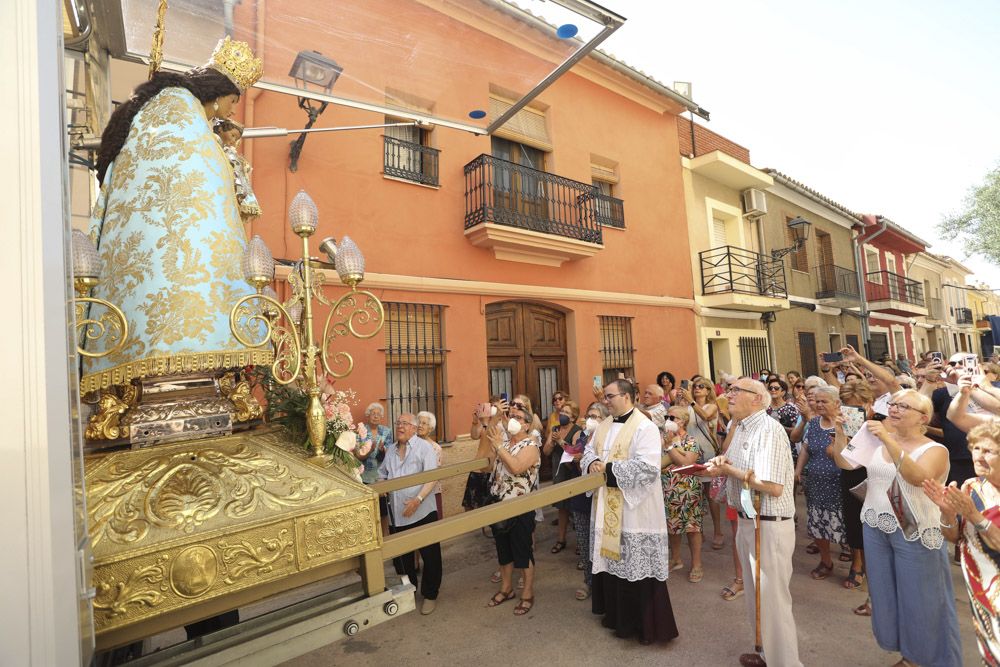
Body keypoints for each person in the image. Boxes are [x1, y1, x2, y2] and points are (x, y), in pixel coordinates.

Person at [83, 37, 266, 388]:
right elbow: (197, 181)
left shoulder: (179, 109)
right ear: (218, 94)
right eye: (232, 101)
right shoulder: (179, 110)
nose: (231, 112)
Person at [830, 389, 963, 667]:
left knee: (923, 599)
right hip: (877, 525)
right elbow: (845, 462)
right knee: (886, 593)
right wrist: (841, 429)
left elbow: (915, 477)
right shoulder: (877, 438)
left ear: (922, 418)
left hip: (916, 531)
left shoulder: (935, 449)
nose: (894, 409)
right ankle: (909, 654)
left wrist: (887, 438)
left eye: (903, 406)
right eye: (892, 404)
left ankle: (930, 659)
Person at [705, 378, 801, 667]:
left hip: (768, 523)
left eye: (736, 391)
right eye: (729, 390)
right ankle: (765, 654)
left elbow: (772, 486)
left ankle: (785, 663)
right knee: (756, 598)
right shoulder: (743, 426)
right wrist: (715, 468)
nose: (728, 395)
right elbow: (735, 467)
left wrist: (729, 469)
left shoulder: (768, 430)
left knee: (773, 602)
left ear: (757, 399)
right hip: (748, 520)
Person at [582, 380, 678, 645]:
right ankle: (616, 618)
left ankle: (641, 625)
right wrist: (591, 463)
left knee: (634, 564)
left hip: (635, 509)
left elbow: (648, 467)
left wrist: (608, 471)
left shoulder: (644, 427)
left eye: (609, 396)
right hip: (607, 507)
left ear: (626, 397)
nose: (605, 401)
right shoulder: (603, 425)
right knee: (613, 561)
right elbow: (588, 452)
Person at [923, 420, 1000, 665]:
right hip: (978, 583)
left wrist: (975, 515)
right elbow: (956, 537)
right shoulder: (971, 486)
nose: (979, 456)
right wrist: (946, 512)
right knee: (990, 647)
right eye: (976, 448)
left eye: (988, 450)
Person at [379, 413, 442, 616]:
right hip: (398, 515)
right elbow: (382, 475)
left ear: (414, 428)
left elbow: (432, 477)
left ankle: (430, 595)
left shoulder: (425, 449)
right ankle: (410, 591)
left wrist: (418, 500)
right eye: (397, 423)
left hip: (422, 511)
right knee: (403, 560)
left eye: (404, 423)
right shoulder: (390, 450)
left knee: (430, 557)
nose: (399, 426)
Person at [485, 405, 541, 616]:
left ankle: (527, 593)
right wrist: (494, 417)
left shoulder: (531, 446)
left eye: (518, 417)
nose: (513, 420)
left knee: (522, 551)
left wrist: (500, 447)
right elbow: (489, 439)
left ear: (527, 424)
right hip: (499, 505)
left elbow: (516, 467)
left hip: (520, 507)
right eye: (511, 416)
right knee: (503, 550)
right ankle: (506, 588)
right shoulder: (505, 442)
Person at [794, 385, 845, 580]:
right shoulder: (814, 424)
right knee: (818, 522)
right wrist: (798, 470)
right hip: (816, 481)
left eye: (825, 401)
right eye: (818, 401)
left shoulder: (846, 424)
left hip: (839, 482)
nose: (820, 405)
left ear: (837, 403)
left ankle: (856, 565)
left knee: (843, 522)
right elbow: (805, 449)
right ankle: (826, 561)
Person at [837, 381, 874, 598]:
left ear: (869, 403)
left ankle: (874, 581)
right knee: (853, 524)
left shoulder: (880, 423)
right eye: (848, 406)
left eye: (858, 406)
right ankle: (856, 564)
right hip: (849, 477)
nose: (854, 411)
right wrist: (840, 431)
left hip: (874, 480)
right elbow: (841, 459)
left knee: (871, 529)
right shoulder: (843, 425)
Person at [570, 402, 608, 600]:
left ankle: (604, 585)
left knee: (602, 544)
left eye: (596, 416)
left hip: (602, 497)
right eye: (589, 415)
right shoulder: (582, 438)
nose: (591, 419)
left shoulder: (610, 438)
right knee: (585, 543)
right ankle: (588, 581)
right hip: (581, 495)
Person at [661, 406, 704, 582]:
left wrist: (670, 447)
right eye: (667, 416)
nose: (669, 419)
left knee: (692, 528)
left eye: (673, 417)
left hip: (687, 491)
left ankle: (696, 564)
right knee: (672, 527)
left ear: (683, 421)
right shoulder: (660, 438)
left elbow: (685, 463)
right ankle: (676, 559)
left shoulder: (691, 440)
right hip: (666, 489)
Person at [684, 380, 724, 550]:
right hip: (690, 452)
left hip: (707, 453)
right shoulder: (687, 408)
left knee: (711, 495)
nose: (697, 389)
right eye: (695, 387)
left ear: (708, 391)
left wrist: (691, 401)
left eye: (701, 386)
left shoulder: (712, 406)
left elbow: (706, 417)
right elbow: (677, 421)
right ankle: (698, 530)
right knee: (694, 495)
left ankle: (718, 531)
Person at [544, 399, 582, 554]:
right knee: (562, 508)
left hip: (572, 473)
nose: (562, 415)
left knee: (577, 509)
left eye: (567, 413)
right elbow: (546, 452)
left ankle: (580, 543)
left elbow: (574, 452)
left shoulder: (578, 431)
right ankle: (561, 539)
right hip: (559, 472)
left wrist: (560, 441)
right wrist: (552, 442)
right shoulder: (555, 428)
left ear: (573, 417)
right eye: (562, 412)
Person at [213, 118, 261, 223]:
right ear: (220, 129)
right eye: (233, 135)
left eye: (236, 139)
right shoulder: (215, 142)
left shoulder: (228, 151)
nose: (233, 141)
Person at [416, 411, 444, 518]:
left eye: (424, 423)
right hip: (412, 491)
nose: (420, 425)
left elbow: (434, 476)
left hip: (430, 492)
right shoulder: (410, 444)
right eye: (418, 422)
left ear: (431, 428)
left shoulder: (435, 448)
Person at [357, 402, 391, 484]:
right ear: (368, 416)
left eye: (378, 414)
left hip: (381, 475)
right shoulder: (361, 430)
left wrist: (382, 451)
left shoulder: (386, 431)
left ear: (381, 417)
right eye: (373, 414)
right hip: (364, 475)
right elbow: (357, 456)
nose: (376, 416)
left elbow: (389, 455)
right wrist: (371, 451)